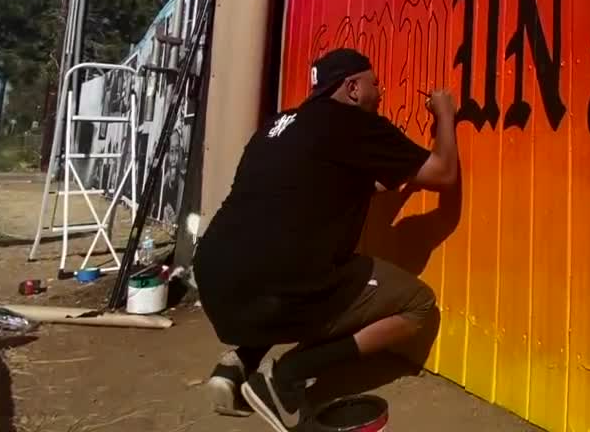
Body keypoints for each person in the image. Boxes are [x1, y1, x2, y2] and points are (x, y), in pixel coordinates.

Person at [193, 48, 459, 431]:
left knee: (282, 267)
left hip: (217, 284)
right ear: (352, 88)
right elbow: (443, 174)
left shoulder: (279, 125)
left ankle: (237, 365)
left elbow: (337, 185)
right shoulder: (353, 124)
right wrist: (445, 114)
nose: (381, 92)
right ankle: (286, 376)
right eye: (375, 83)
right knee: (418, 304)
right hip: (277, 287)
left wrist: (399, 181)